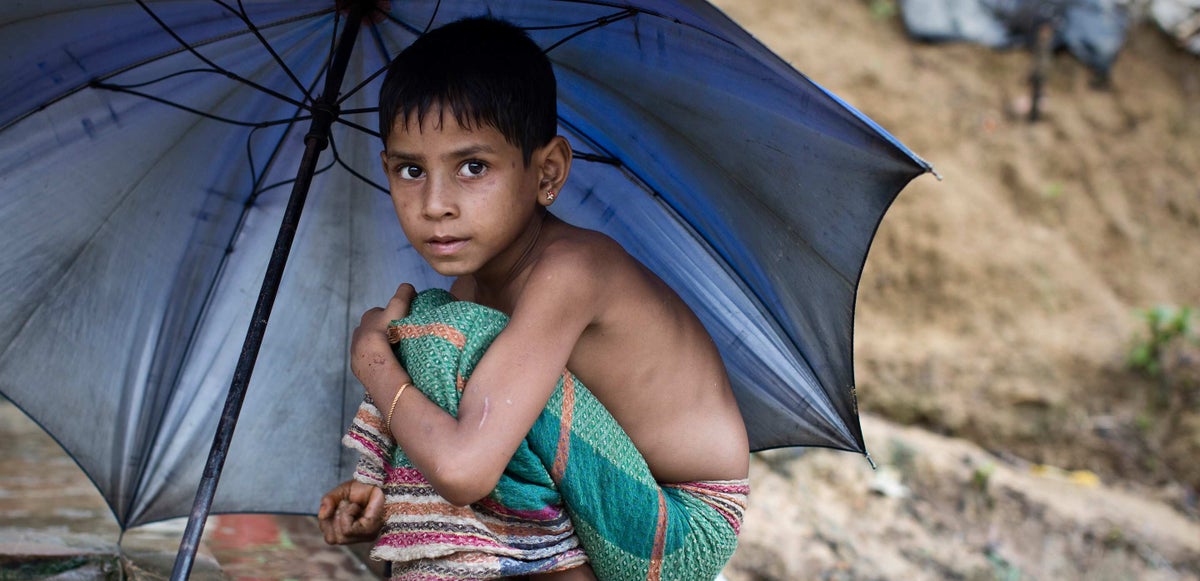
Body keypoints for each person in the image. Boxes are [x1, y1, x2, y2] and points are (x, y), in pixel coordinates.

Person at [317, 16, 749, 580]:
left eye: (473, 167)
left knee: (443, 340)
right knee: (447, 343)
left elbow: (464, 469)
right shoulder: (469, 291)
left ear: (547, 171)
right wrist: (388, 488)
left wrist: (372, 358)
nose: (435, 203)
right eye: (411, 170)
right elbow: (465, 447)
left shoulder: (571, 271)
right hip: (598, 498)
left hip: (679, 528)